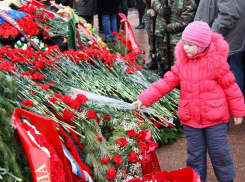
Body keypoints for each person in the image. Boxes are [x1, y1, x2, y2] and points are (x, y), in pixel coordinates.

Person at [132, 21, 245, 182]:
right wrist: (144, 98)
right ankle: (196, 179)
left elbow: (231, 87)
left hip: (215, 119)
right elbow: (165, 83)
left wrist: (238, 111)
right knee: (195, 155)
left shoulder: (217, 64)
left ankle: (227, 179)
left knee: (219, 152)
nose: (185, 48)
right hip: (190, 118)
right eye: (184, 43)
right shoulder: (182, 64)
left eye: (190, 45)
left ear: (202, 45)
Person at [194, 0, 245, 93]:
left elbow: (228, 15)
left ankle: (234, 106)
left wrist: (209, 35)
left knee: (232, 75)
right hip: (220, 40)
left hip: (228, 42)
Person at [145, 0, 196, 77]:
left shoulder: (188, 2)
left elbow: (186, 22)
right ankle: (164, 69)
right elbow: (153, 2)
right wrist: (161, 9)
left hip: (178, 38)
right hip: (164, 35)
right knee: (163, 56)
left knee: (178, 63)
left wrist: (168, 27)